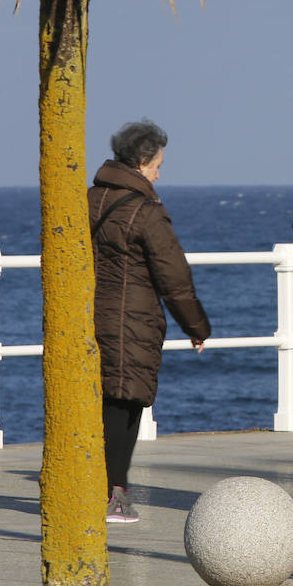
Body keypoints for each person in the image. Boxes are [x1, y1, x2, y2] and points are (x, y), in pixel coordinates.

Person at [89, 120, 210, 523]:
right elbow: (173, 278)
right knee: (126, 404)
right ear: (142, 163)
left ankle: (98, 487)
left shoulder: (88, 199)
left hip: (90, 317)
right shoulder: (145, 211)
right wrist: (196, 327)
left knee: (103, 403)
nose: (160, 172)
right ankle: (114, 495)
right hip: (131, 322)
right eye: (158, 164)